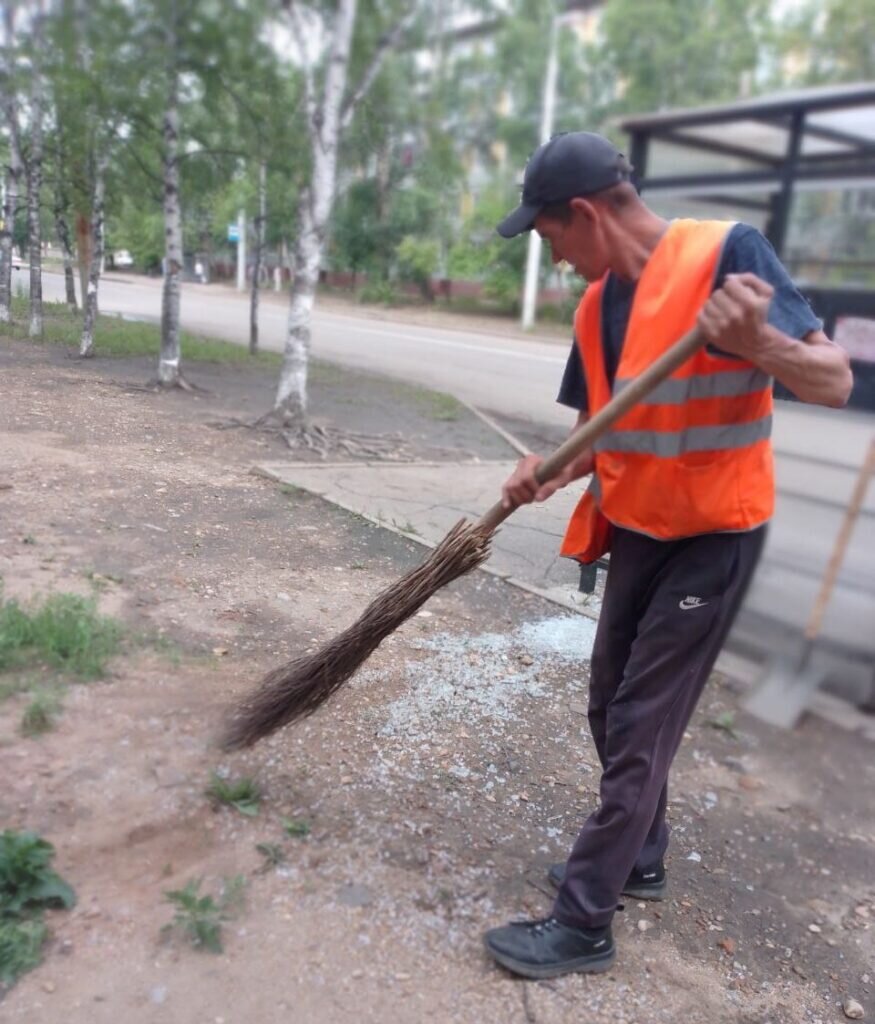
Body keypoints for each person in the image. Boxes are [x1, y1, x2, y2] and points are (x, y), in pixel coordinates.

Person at [483, 131, 853, 980]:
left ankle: (583, 923)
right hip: (638, 532)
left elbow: (830, 381)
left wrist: (760, 342)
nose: (556, 260)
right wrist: (544, 471)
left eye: (548, 239)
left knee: (642, 728)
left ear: (583, 213)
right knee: (608, 708)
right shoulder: (595, 306)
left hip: (713, 539)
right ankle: (639, 856)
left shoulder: (728, 255)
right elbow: (598, 429)